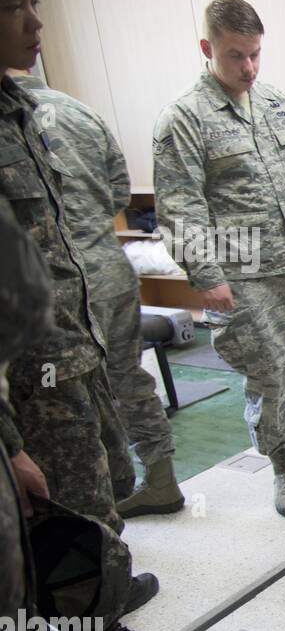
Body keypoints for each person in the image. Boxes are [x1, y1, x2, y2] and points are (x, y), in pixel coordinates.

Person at [0, 188, 236, 631]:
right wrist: (9, 438)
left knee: (73, 536)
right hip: (30, 385)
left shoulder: (24, 112)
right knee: (24, 619)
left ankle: (92, 627)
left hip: (68, 356)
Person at [0, 0, 184, 631]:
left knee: (98, 479)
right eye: (16, 7)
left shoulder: (28, 112)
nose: (37, 20)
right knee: (66, 501)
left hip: (74, 342)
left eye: (35, 1)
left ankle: (105, 588)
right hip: (27, 379)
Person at [153, 0, 285, 518]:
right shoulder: (185, 118)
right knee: (270, 370)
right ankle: (284, 461)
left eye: (254, 55)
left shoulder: (277, 102)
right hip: (242, 267)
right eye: (234, 56)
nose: (248, 67)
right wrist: (205, 276)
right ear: (208, 48)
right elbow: (180, 205)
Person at [7, 67, 183, 518]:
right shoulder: (78, 110)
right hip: (107, 265)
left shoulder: (14, 119)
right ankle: (159, 480)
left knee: (61, 396)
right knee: (127, 377)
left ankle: (89, 511)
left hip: (55, 285)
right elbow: (120, 193)